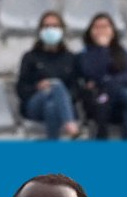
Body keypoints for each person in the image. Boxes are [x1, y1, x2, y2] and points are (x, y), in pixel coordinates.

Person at [16, 11, 82, 140]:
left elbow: (76, 88)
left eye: (55, 26)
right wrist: (38, 87)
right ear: (40, 31)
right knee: (55, 85)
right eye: (46, 26)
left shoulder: (70, 58)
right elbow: (21, 88)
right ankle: (70, 124)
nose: (51, 29)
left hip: (62, 105)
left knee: (51, 106)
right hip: (35, 104)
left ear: (62, 30)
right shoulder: (30, 57)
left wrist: (61, 97)